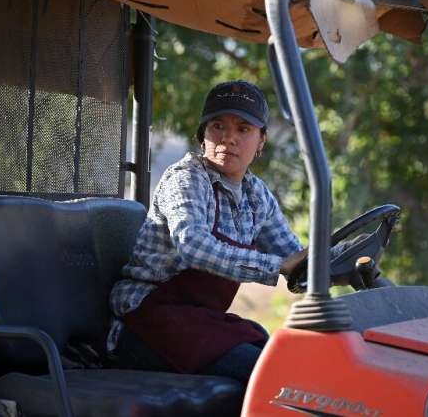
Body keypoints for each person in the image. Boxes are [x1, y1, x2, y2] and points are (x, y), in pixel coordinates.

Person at [107, 80, 308, 383]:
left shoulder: (257, 195)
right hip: (145, 322)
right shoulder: (186, 179)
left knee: (282, 354)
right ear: (203, 135)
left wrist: (336, 261)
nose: (229, 138)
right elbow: (194, 246)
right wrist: (277, 266)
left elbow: (294, 255)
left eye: (243, 129)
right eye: (218, 126)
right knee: (268, 373)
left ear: (261, 141)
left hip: (196, 322)